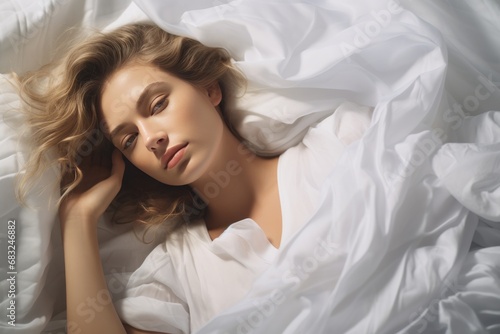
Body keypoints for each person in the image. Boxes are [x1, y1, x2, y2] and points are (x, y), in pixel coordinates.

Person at [16, 22, 369, 333]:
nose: (151, 138)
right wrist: (77, 220)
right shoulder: (177, 274)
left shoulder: (341, 144)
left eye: (157, 106)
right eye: (129, 139)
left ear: (209, 89)